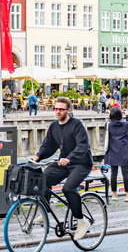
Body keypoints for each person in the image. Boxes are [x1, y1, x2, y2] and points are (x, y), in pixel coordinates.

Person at [32, 97, 93, 241]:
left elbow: (82, 146)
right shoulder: (54, 126)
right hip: (63, 163)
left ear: (68, 111)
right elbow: (48, 146)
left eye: (61, 109)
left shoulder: (76, 125)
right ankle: (45, 214)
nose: (58, 112)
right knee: (43, 178)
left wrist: (69, 158)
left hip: (81, 163)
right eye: (56, 109)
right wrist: (38, 156)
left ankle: (81, 221)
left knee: (68, 188)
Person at [103, 108, 128, 202]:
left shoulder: (109, 124)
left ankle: (114, 194)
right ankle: (127, 194)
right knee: (126, 173)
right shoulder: (125, 124)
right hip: (124, 150)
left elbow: (107, 125)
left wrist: (110, 118)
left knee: (114, 173)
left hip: (113, 150)